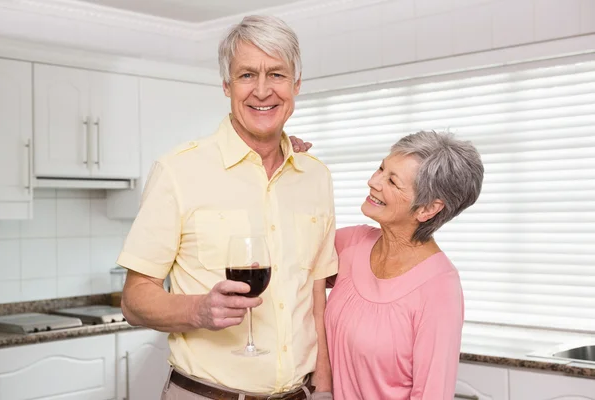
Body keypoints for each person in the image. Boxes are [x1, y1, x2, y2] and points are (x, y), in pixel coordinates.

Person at [117, 15, 336, 400]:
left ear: (297, 85)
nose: (263, 91)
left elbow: (316, 295)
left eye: (277, 75)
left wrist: (325, 388)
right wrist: (198, 310)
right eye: (247, 75)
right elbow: (135, 299)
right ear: (226, 86)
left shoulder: (315, 177)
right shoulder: (178, 171)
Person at [290, 131, 484, 399]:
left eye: (392, 181)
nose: (373, 182)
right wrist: (284, 167)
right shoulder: (352, 244)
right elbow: (285, 251)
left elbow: (432, 393)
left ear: (428, 208)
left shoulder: (439, 287)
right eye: (381, 168)